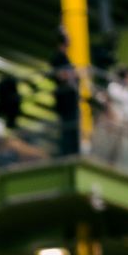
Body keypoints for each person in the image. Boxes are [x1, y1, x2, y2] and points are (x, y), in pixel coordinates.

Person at [50, 27, 81, 157]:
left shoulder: (65, 58)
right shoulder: (58, 58)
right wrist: (73, 75)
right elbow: (60, 75)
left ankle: (72, 152)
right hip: (65, 100)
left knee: (73, 127)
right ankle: (67, 154)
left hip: (70, 99)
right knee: (67, 128)